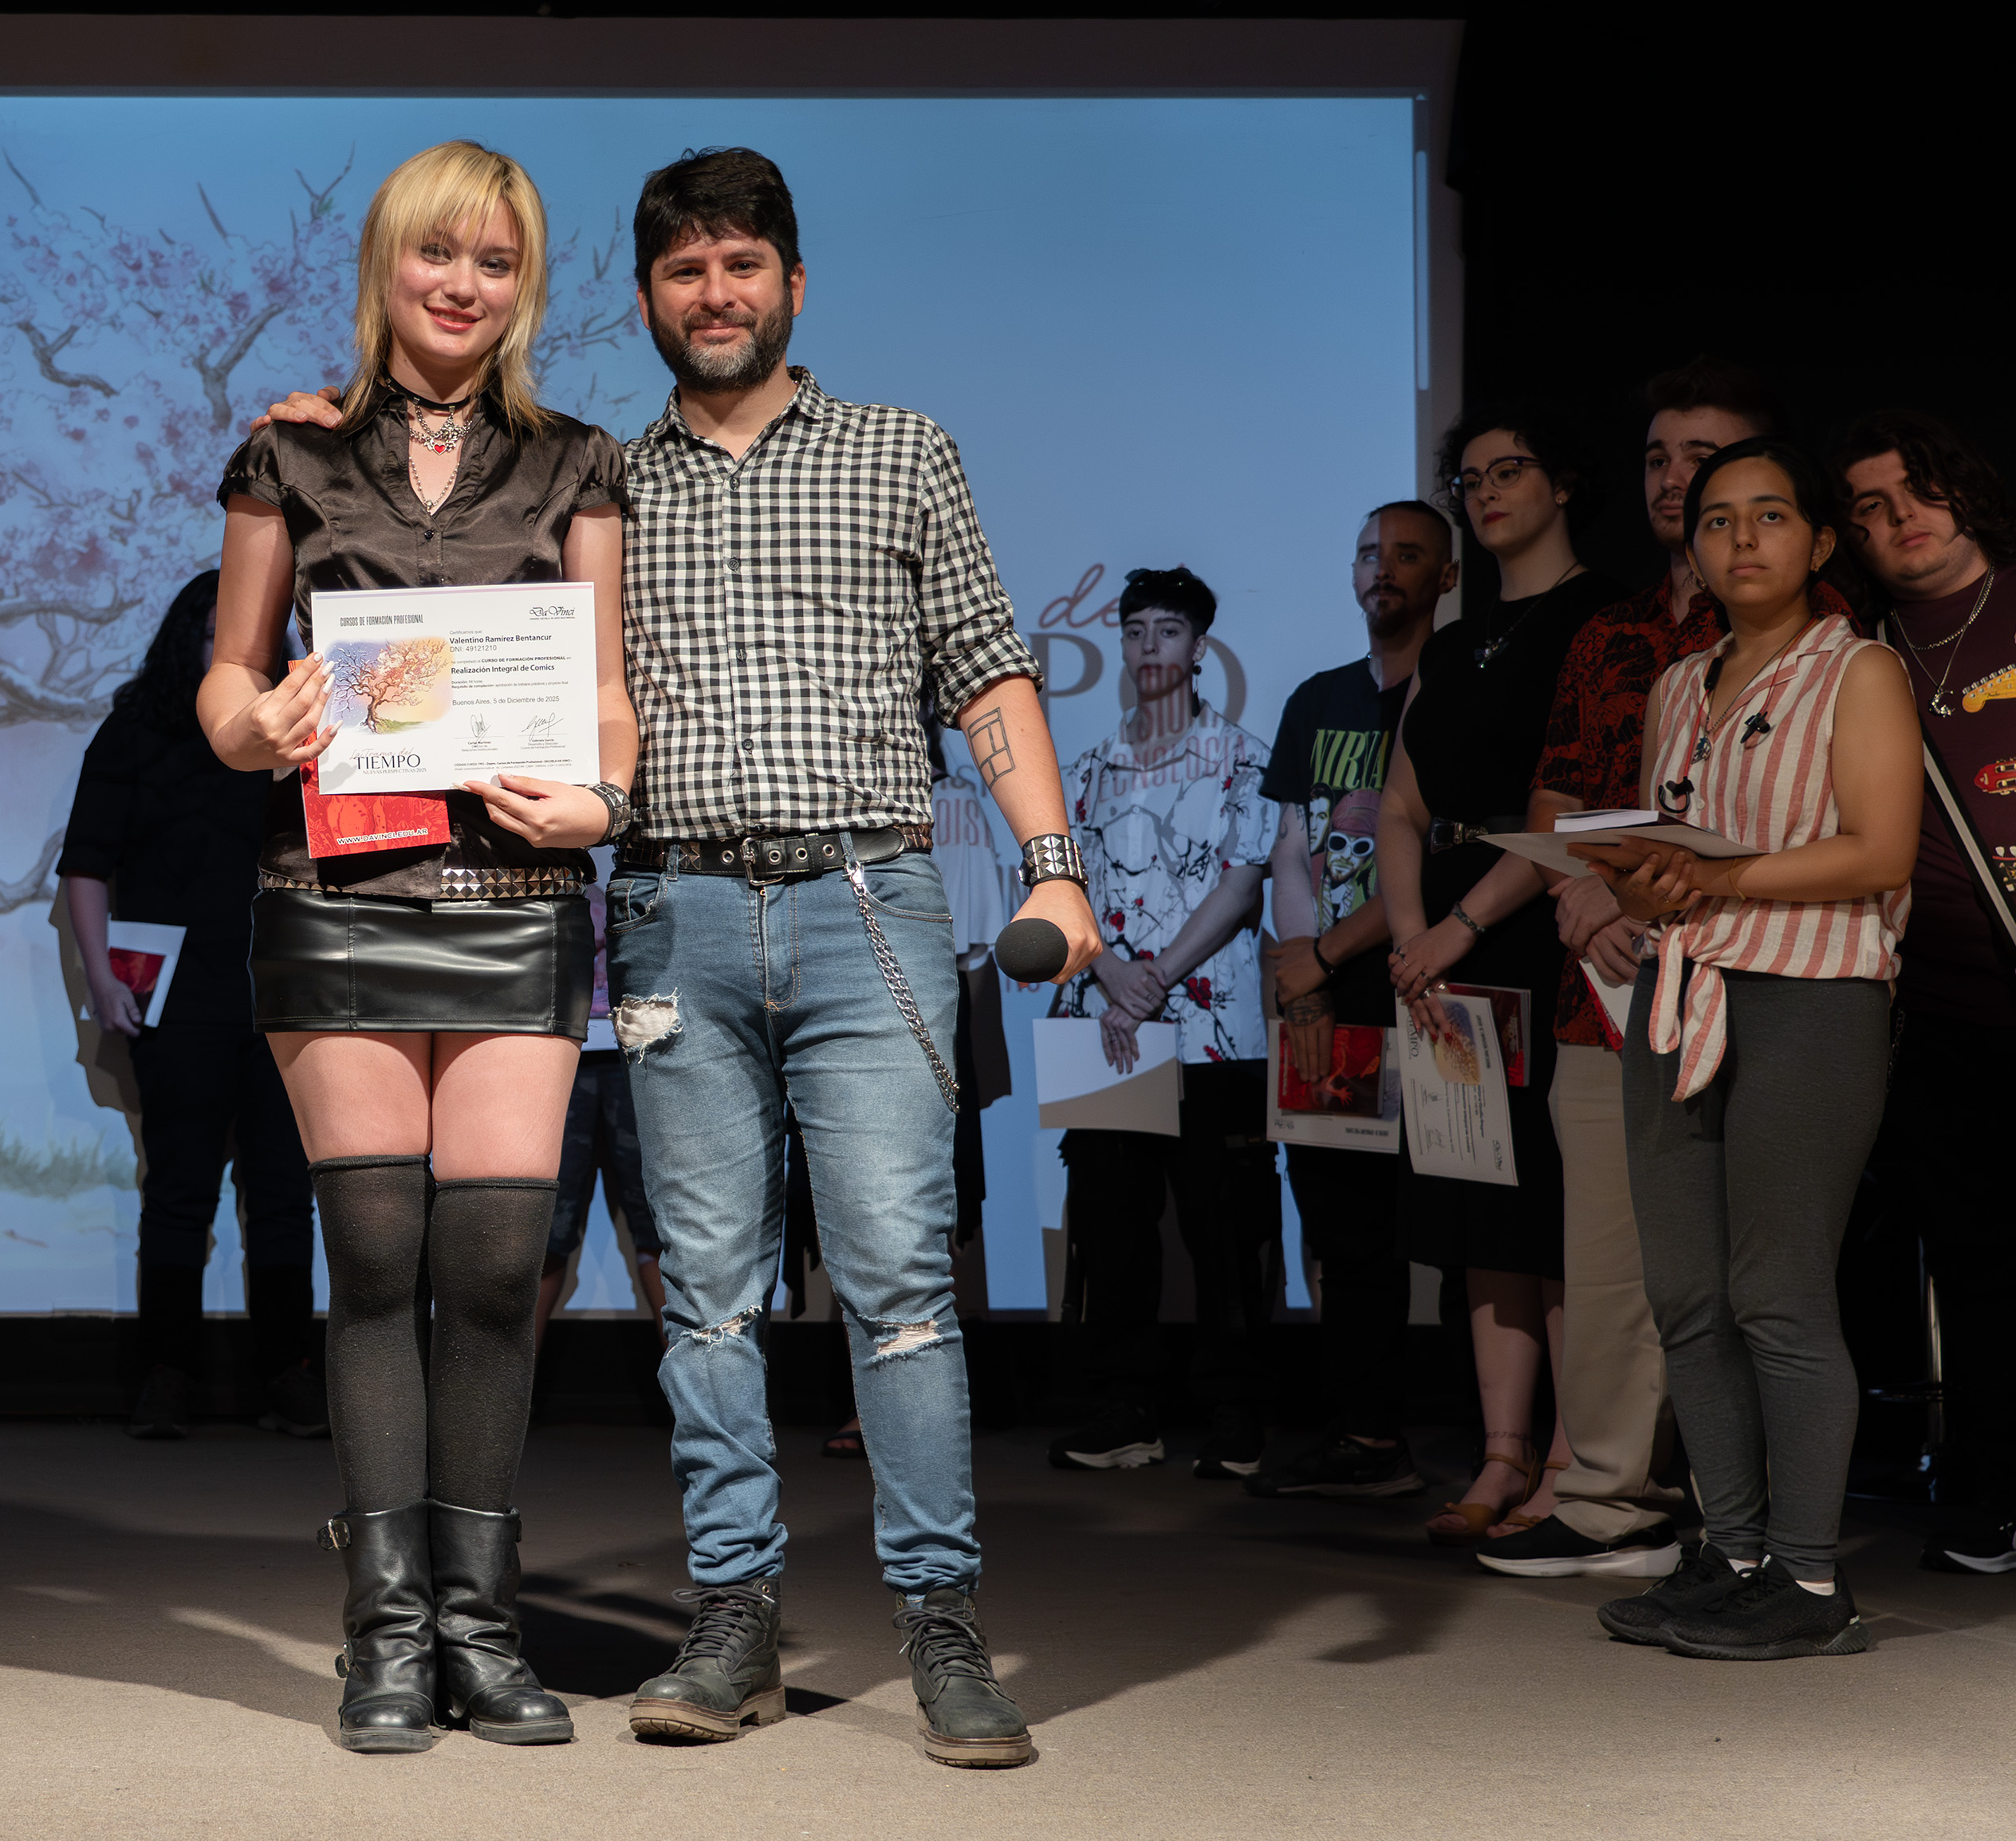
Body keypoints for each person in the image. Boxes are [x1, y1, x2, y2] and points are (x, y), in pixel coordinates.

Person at [259, 145, 1100, 1772]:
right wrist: (332, 421)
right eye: (682, 271)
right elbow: (429, 558)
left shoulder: (902, 451)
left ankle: (942, 1622)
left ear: (794, 282)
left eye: (741, 266)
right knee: (703, 1296)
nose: (715, 295)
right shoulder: (592, 476)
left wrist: (1054, 866)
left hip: (866, 898)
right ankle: (734, 1615)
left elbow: (987, 667)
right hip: (669, 909)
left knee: (898, 1281)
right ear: (643, 298)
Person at [199, 140, 636, 1755]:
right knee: (377, 1258)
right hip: (335, 892)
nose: (463, 284)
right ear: (386, 261)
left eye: (495, 260)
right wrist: (257, 725)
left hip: (518, 897)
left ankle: (482, 1623)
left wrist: (604, 801)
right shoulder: (289, 451)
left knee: (497, 1267)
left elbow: (606, 692)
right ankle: (386, 1633)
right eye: (436, 253)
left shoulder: (579, 460)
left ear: (526, 284)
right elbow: (227, 677)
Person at [1574, 437, 1918, 1659]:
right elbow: (1659, 864)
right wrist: (1635, 878)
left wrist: (1711, 876)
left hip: (1809, 994)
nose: (1739, 539)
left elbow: (1878, 850)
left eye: (1769, 515)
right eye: (1715, 520)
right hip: (1678, 993)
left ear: (1818, 541)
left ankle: (1811, 1581)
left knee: (1777, 1292)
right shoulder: (1678, 684)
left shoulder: (1858, 668)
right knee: (1685, 1293)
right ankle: (1731, 1556)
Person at [1479, 359, 1773, 1579]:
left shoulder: (1802, 630)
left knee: (1743, 1270)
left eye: (1701, 454)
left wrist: (1636, 888)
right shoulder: (1607, 631)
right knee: (1603, 1265)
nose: (1673, 476)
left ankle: (1742, 1521)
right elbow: (1554, 794)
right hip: (1595, 990)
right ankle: (1607, 1502)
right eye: (1657, 455)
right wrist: (1573, 898)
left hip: (1744, 979)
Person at [1379, 408, 1622, 1544]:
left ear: (1560, 483)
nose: (1483, 493)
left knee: (1550, 1206)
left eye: (1507, 470)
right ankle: (1499, 1449)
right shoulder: (1452, 640)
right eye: (1467, 478)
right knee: (1476, 1199)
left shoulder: (1601, 617)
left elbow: (1568, 811)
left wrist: (1459, 928)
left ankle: (1573, 1455)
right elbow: (1398, 806)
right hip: (1439, 947)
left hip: (1534, 928)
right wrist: (1410, 939)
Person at [57, 572, 320, 1443]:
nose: (239, 647)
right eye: (218, 631)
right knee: (179, 1191)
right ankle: (163, 1375)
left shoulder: (306, 733)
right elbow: (85, 865)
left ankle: (288, 1375)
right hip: (176, 999)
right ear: (187, 638)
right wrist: (102, 978)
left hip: (288, 993)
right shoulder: (137, 730)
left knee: (283, 1195)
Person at [1039, 567, 1279, 1481]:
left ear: (1198, 646)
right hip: (1100, 1019)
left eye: (1166, 630)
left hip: (1212, 1026)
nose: (1148, 646)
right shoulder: (1086, 768)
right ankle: (1124, 1408)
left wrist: (1154, 978)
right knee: (1111, 1223)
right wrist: (1110, 973)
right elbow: (1061, 887)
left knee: (1223, 1224)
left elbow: (1241, 882)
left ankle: (1236, 1412)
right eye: (1134, 629)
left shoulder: (1243, 757)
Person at [1829, 409, 2016, 1575]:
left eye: (1916, 489)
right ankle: (1992, 1491)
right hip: (1942, 1009)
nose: (1898, 516)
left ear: (1964, 490)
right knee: (1976, 1260)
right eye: (1867, 505)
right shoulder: (1859, 657)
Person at [1244, 503, 1451, 1502]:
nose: (1383, 569)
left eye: (1406, 554)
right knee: (1341, 1226)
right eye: (1369, 553)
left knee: (1460, 1227)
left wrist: (1326, 952)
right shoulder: (1315, 698)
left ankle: (1500, 1443)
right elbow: (1292, 846)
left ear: (1445, 576)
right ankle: (1366, 1436)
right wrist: (1303, 976)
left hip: (1432, 987)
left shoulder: (1452, 692)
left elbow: (1431, 857)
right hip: (1326, 998)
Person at [533, 861, 665, 1347]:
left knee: (661, 1226)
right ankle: (506, 1392)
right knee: (542, 1228)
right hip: (556, 1054)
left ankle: (694, 1388)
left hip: (642, 1055)